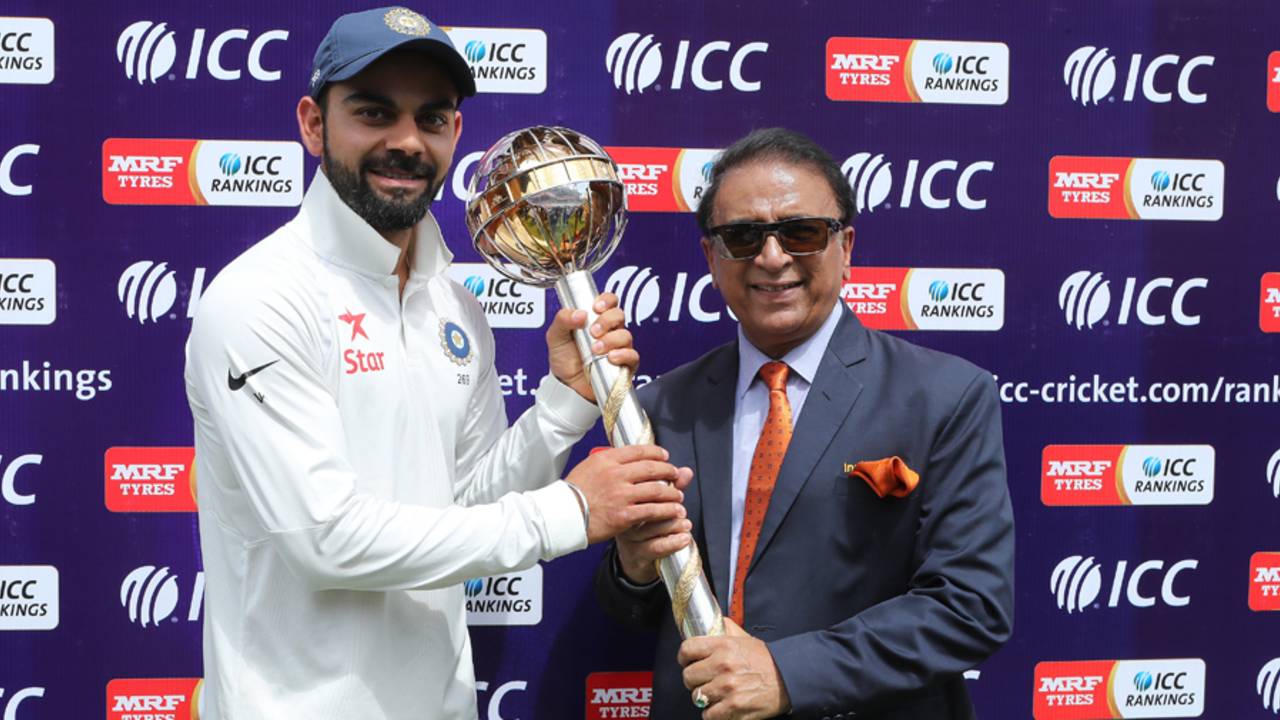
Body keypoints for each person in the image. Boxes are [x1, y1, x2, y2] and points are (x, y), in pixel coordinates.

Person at [184, 7, 691, 719]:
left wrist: (564, 403)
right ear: (312, 123)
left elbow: (471, 506)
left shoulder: (454, 306)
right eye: (373, 112)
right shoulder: (259, 298)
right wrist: (571, 509)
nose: (406, 142)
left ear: (454, 134)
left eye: (431, 118)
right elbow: (325, 540)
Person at [595, 127, 1014, 720]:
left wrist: (787, 674)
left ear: (846, 246)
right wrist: (634, 570)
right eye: (742, 236)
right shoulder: (664, 405)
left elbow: (971, 607)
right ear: (711, 259)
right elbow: (627, 605)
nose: (772, 257)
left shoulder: (945, 396)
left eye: (801, 232)